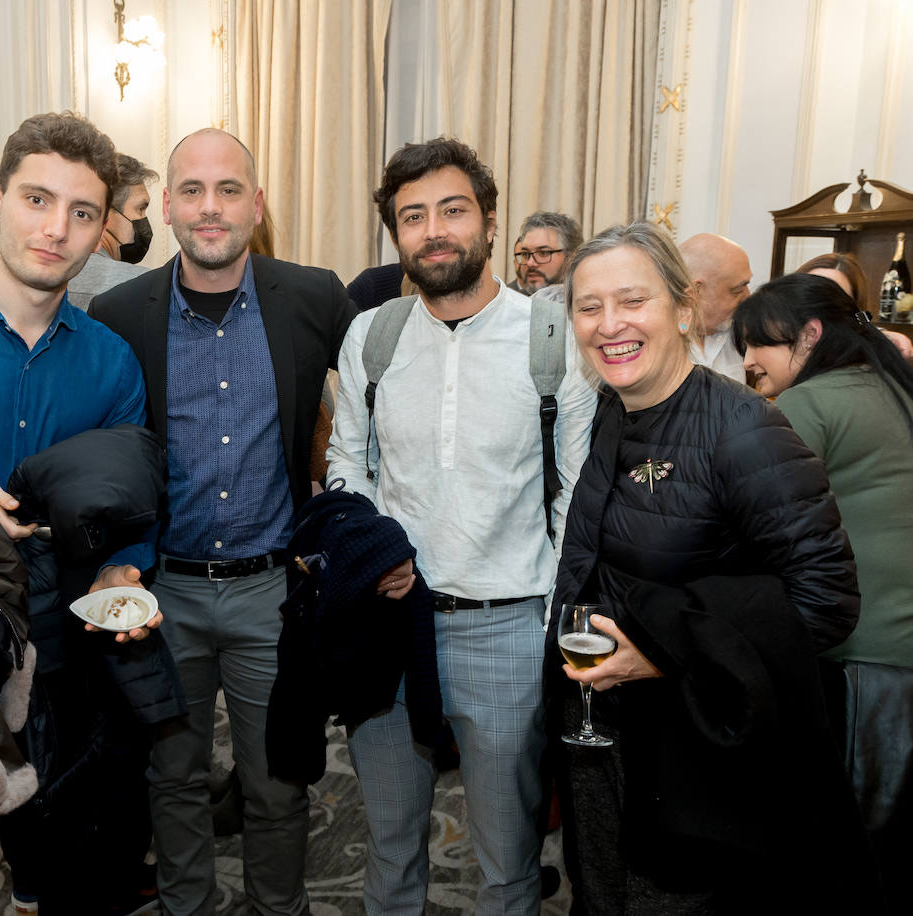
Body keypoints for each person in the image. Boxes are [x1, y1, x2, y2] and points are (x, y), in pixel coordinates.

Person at [550, 222, 874, 912]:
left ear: (683, 307)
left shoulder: (746, 431)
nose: (609, 324)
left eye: (633, 300)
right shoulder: (614, 410)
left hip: (694, 753)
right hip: (607, 730)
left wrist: (668, 656)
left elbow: (827, 602)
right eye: (588, 306)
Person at [325, 137, 596, 916]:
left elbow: (576, 498)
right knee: (388, 846)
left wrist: (552, 626)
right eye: (413, 216)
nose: (434, 230)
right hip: (389, 624)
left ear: (489, 220)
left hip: (505, 629)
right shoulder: (372, 334)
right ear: (396, 234)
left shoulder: (552, 337)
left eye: (453, 210)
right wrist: (371, 555)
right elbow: (348, 464)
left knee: (508, 859)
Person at [89, 127, 355, 916]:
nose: (211, 208)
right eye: (193, 191)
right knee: (172, 779)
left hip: (271, 590)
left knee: (277, 783)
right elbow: (102, 445)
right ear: (168, 206)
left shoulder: (313, 297)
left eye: (229, 189)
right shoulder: (119, 312)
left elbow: (384, 392)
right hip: (161, 591)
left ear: (257, 205)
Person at [0, 111, 168, 916]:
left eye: (82, 212)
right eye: (36, 200)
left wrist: (126, 568)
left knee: (62, 840)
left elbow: (134, 503)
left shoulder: (109, 359)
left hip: (59, 631)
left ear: (102, 229)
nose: (56, 229)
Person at [734, 272, 913, 912]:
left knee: (840, 843)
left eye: (760, 343)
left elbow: (741, 521)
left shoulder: (809, 403)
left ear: (810, 335)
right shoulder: (891, 386)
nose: (749, 361)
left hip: (857, 653)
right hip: (898, 649)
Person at [65, 151, 158, 310]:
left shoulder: (52, 273)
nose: (144, 219)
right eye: (140, 209)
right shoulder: (144, 286)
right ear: (106, 213)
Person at [679, 232, 752, 382]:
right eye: (737, 290)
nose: (747, 297)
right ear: (696, 291)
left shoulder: (744, 333)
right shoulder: (658, 343)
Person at [510, 210, 582, 294]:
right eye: (525, 254)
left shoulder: (588, 299)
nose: (530, 263)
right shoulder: (511, 301)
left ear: (571, 257)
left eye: (543, 253)